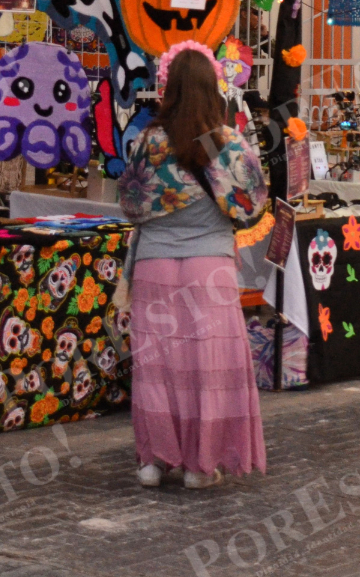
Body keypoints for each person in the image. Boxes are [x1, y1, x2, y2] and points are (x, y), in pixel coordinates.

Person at [116, 42, 271, 489]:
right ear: (212, 88)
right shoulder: (228, 144)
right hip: (210, 267)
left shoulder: (148, 142)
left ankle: (153, 461)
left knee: (157, 366)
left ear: (169, 90)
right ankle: (199, 466)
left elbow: (130, 204)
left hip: (154, 265)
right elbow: (252, 205)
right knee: (208, 369)